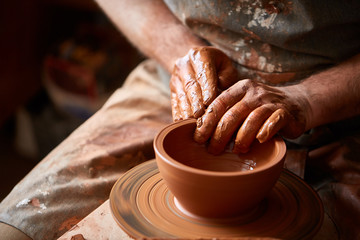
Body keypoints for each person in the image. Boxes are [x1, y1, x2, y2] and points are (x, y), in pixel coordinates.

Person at [0, 0, 359, 239]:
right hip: (179, 78)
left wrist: (309, 98)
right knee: (16, 228)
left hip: (339, 106)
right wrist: (178, 52)